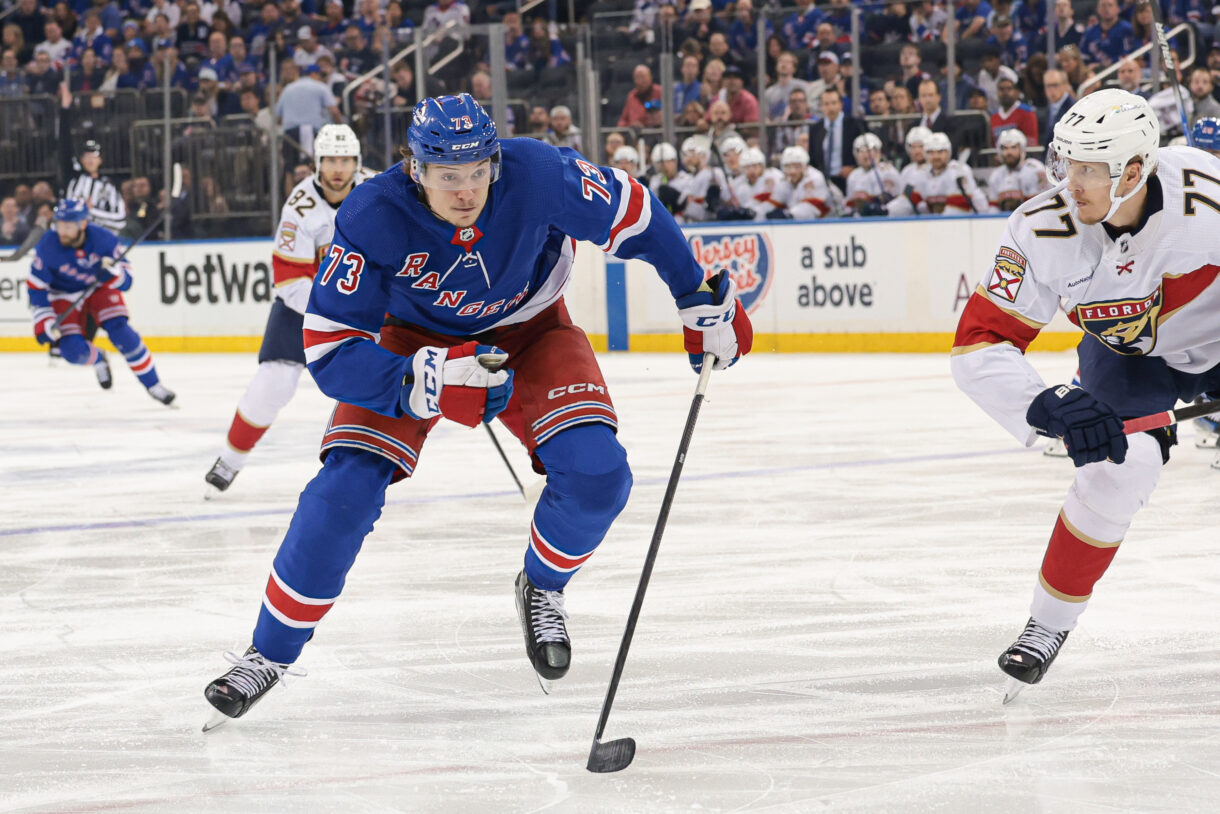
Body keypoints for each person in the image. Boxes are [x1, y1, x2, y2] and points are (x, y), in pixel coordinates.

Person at [201, 94, 753, 725]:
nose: (466, 191)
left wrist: (694, 294)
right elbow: (328, 351)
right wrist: (421, 381)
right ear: (415, 168)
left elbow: (636, 213)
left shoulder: (539, 172)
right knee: (343, 490)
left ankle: (541, 587)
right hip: (408, 343)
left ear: (494, 160)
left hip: (533, 326)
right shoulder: (373, 212)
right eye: (447, 176)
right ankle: (268, 654)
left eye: (477, 172)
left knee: (600, 476)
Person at [951, 89, 1220, 700]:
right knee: (1115, 471)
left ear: (1134, 170)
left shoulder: (1209, 200)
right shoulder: (1041, 228)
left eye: (1087, 169)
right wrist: (1045, 404)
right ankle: (1047, 625)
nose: (1069, 183)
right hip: (1130, 359)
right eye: (1064, 162)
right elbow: (978, 345)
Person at [205, 125, 375, 497]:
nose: (337, 168)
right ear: (317, 163)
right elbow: (289, 278)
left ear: (356, 162)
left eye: (345, 160)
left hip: (368, 306)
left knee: (377, 383)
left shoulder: (378, 192)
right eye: (330, 159)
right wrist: (332, 309)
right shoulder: (300, 206)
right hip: (307, 309)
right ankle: (230, 460)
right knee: (272, 383)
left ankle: (375, 464)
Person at [28, 200, 176, 404]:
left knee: (122, 332)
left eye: (68, 226)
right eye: (60, 224)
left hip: (98, 288)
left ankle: (154, 385)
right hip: (62, 293)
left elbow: (127, 281)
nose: (62, 231)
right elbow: (36, 286)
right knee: (72, 351)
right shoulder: (47, 244)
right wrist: (43, 319)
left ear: (82, 224)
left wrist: (114, 274)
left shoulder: (103, 239)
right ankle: (99, 358)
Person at [986, 128, 1047, 211]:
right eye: (1005, 148)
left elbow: (1043, 205)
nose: (1009, 152)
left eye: (1013, 147)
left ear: (1022, 149)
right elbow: (993, 209)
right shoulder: (996, 175)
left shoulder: (1036, 169)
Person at [844, 132, 900, 216]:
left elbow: (894, 199)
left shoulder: (888, 171)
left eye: (869, 151)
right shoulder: (853, 175)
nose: (866, 155)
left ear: (878, 152)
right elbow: (850, 205)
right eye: (861, 151)